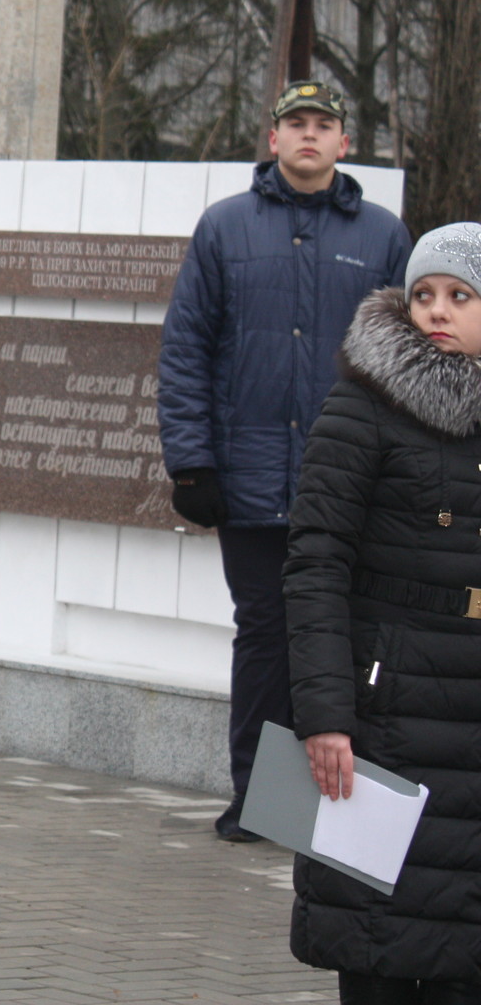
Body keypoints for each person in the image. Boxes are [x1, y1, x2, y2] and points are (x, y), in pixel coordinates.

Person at [159, 79, 411, 843]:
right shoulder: (225, 228)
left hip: (351, 483)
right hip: (252, 482)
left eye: (323, 124)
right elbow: (186, 349)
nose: (309, 135)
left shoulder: (383, 236)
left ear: (344, 142)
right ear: (273, 140)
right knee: (267, 639)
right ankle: (261, 806)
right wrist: (193, 464)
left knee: (347, 640)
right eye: (295, 123)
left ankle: (340, 809)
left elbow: (405, 358)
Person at [283, 223, 481, 1004]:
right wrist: (325, 716)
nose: (438, 310)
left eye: (460, 296)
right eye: (424, 293)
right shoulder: (364, 405)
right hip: (384, 713)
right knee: (376, 946)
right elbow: (315, 564)